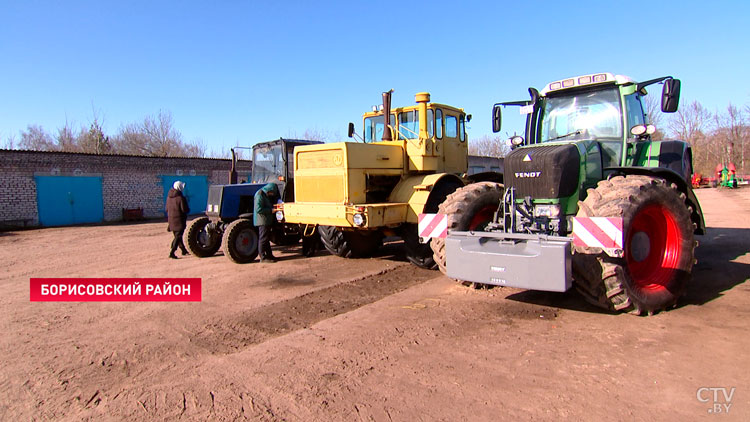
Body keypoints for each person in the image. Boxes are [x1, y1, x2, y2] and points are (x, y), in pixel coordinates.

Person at [254, 183, 280, 263]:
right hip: (262, 221)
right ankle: (263, 257)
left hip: (266, 220)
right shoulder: (260, 195)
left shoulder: (264, 194)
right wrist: (271, 211)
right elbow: (258, 209)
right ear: (269, 190)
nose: (272, 195)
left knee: (266, 239)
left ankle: (269, 255)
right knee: (263, 239)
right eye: (272, 193)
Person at [166, 180, 190, 259]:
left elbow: (166, 209)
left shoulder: (169, 197)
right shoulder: (181, 198)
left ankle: (183, 250)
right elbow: (184, 210)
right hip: (179, 220)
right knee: (178, 236)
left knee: (178, 236)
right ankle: (172, 252)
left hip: (171, 220)